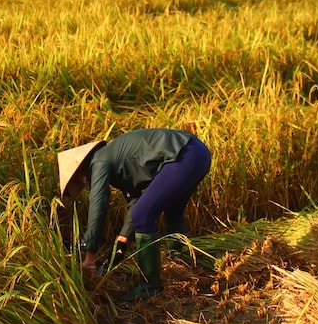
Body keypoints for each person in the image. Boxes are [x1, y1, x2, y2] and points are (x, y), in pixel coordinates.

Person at [58, 128, 212, 301]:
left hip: (183, 155)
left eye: (78, 181)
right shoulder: (115, 159)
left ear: (80, 172)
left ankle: (149, 286)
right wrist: (121, 243)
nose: (83, 185)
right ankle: (179, 263)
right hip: (198, 152)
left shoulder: (99, 162)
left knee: (143, 216)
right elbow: (135, 201)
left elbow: (98, 204)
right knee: (172, 210)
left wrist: (90, 255)